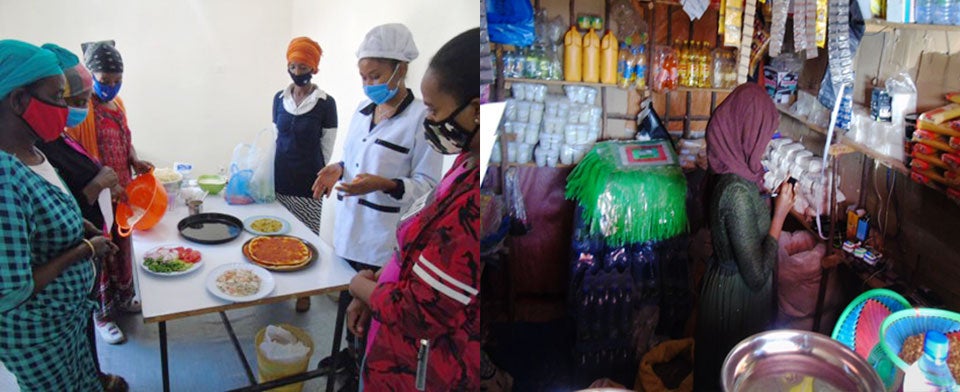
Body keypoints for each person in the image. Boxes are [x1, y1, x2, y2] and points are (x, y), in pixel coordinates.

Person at [346, 28, 481, 391]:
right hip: (376, 267)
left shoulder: (473, 200)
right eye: (363, 76)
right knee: (354, 341)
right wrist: (376, 284)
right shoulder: (464, 165)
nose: (430, 119)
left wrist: (362, 288)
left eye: (435, 109)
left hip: (422, 367)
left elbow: (419, 312)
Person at [311, 23, 443, 387]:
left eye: (376, 75)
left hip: (382, 240)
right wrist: (336, 168)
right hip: (350, 230)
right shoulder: (362, 109)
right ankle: (348, 356)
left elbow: (428, 189)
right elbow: (352, 159)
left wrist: (384, 184)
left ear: (401, 69)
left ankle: (362, 371)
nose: (368, 82)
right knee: (345, 299)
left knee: (370, 315)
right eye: (363, 75)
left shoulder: (421, 119)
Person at [0, 39, 119, 392]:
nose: (65, 108)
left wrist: (79, 224)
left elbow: (44, 212)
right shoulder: (4, 176)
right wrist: (84, 250)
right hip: (37, 331)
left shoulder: (32, 150)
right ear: (19, 100)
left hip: (66, 317)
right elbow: (11, 291)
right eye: (57, 97)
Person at [36, 42, 129, 391]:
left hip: (90, 231)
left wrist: (113, 177)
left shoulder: (54, 136)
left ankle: (96, 376)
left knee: (80, 341)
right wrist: (98, 185)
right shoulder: (30, 151)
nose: (73, 106)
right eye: (66, 99)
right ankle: (104, 315)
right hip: (59, 284)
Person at [693, 83, 796, 390]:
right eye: (764, 136)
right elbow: (755, 274)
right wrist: (779, 216)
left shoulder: (737, 173)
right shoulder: (736, 192)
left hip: (734, 290)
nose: (765, 146)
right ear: (745, 132)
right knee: (731, 379)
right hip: (735, 296)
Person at [66, 39, 153, 345]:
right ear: (91, 77)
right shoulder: (79, 112)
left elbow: (125, 137)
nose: (112, 87)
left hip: (122, 190)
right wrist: (104, 185)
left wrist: (134, 160)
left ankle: (125, 296)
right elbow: (76, 157)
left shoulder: (118, 105)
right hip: (98, 194)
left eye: (117, 81)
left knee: (123, 243)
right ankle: (102, 316)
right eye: (105, 81)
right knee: (102, 249)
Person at [272, 36, 338, 313]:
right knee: (278, 233)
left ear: (314, 69)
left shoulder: (326, 103)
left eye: (303, 67)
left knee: (306, 236)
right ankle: (277, 280)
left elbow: (328, 145)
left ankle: (304, 291)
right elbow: (277, 134)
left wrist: (323, 177)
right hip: (281, 175)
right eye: (293, 66)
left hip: (309, 179)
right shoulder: (279, 98)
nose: (297, 73)